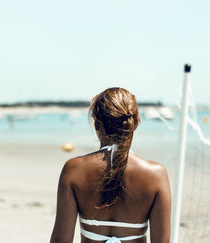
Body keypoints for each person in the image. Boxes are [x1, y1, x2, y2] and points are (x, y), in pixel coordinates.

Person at [50, 87, 171, 243]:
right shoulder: (156, 175)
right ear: (135, 123)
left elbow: (61, 240)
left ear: (96, 124)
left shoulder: (74, 170)